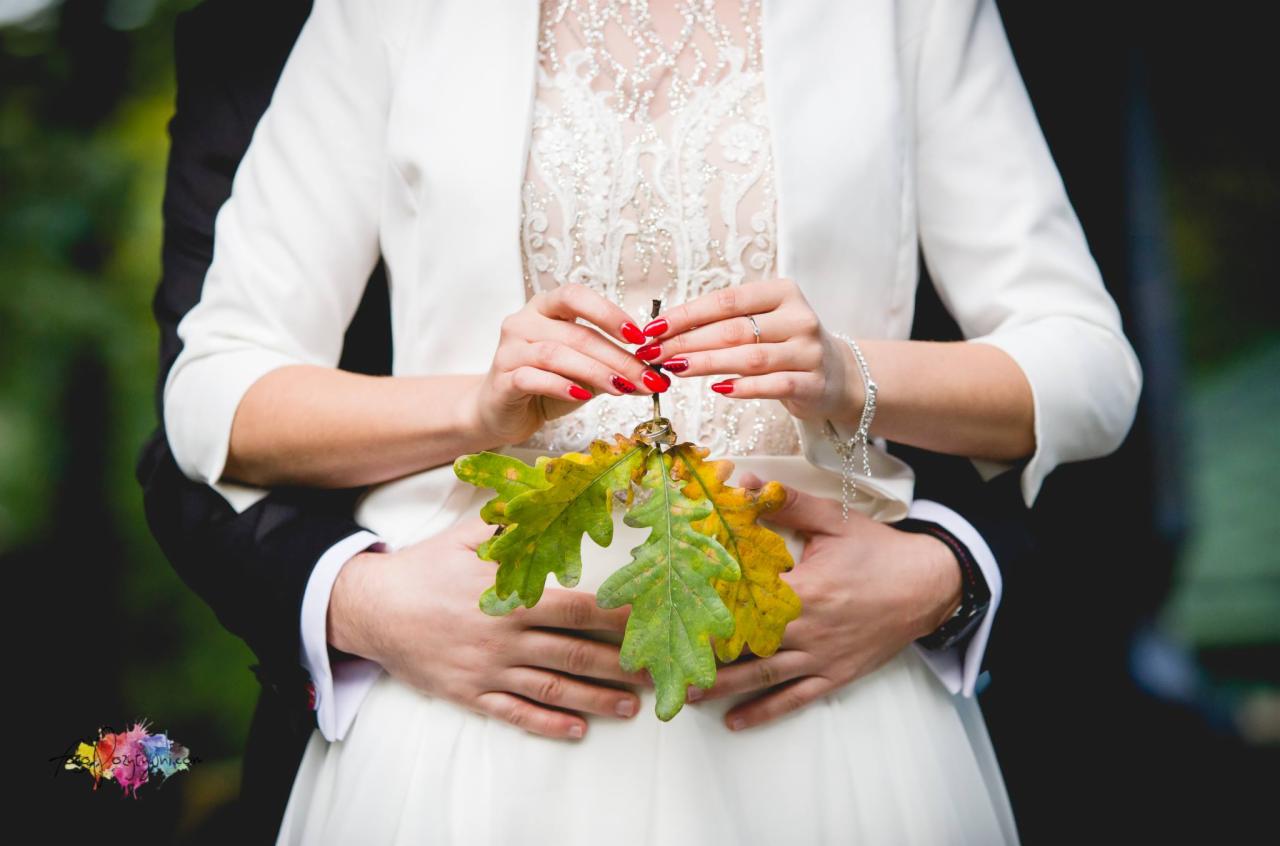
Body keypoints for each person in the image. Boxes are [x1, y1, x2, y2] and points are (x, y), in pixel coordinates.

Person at [152, 0, 1140, 843]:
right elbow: (214, 393)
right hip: (478, 708)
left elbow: (1088, 367)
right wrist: (473, 407)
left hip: (820, 696)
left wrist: (848, 374)